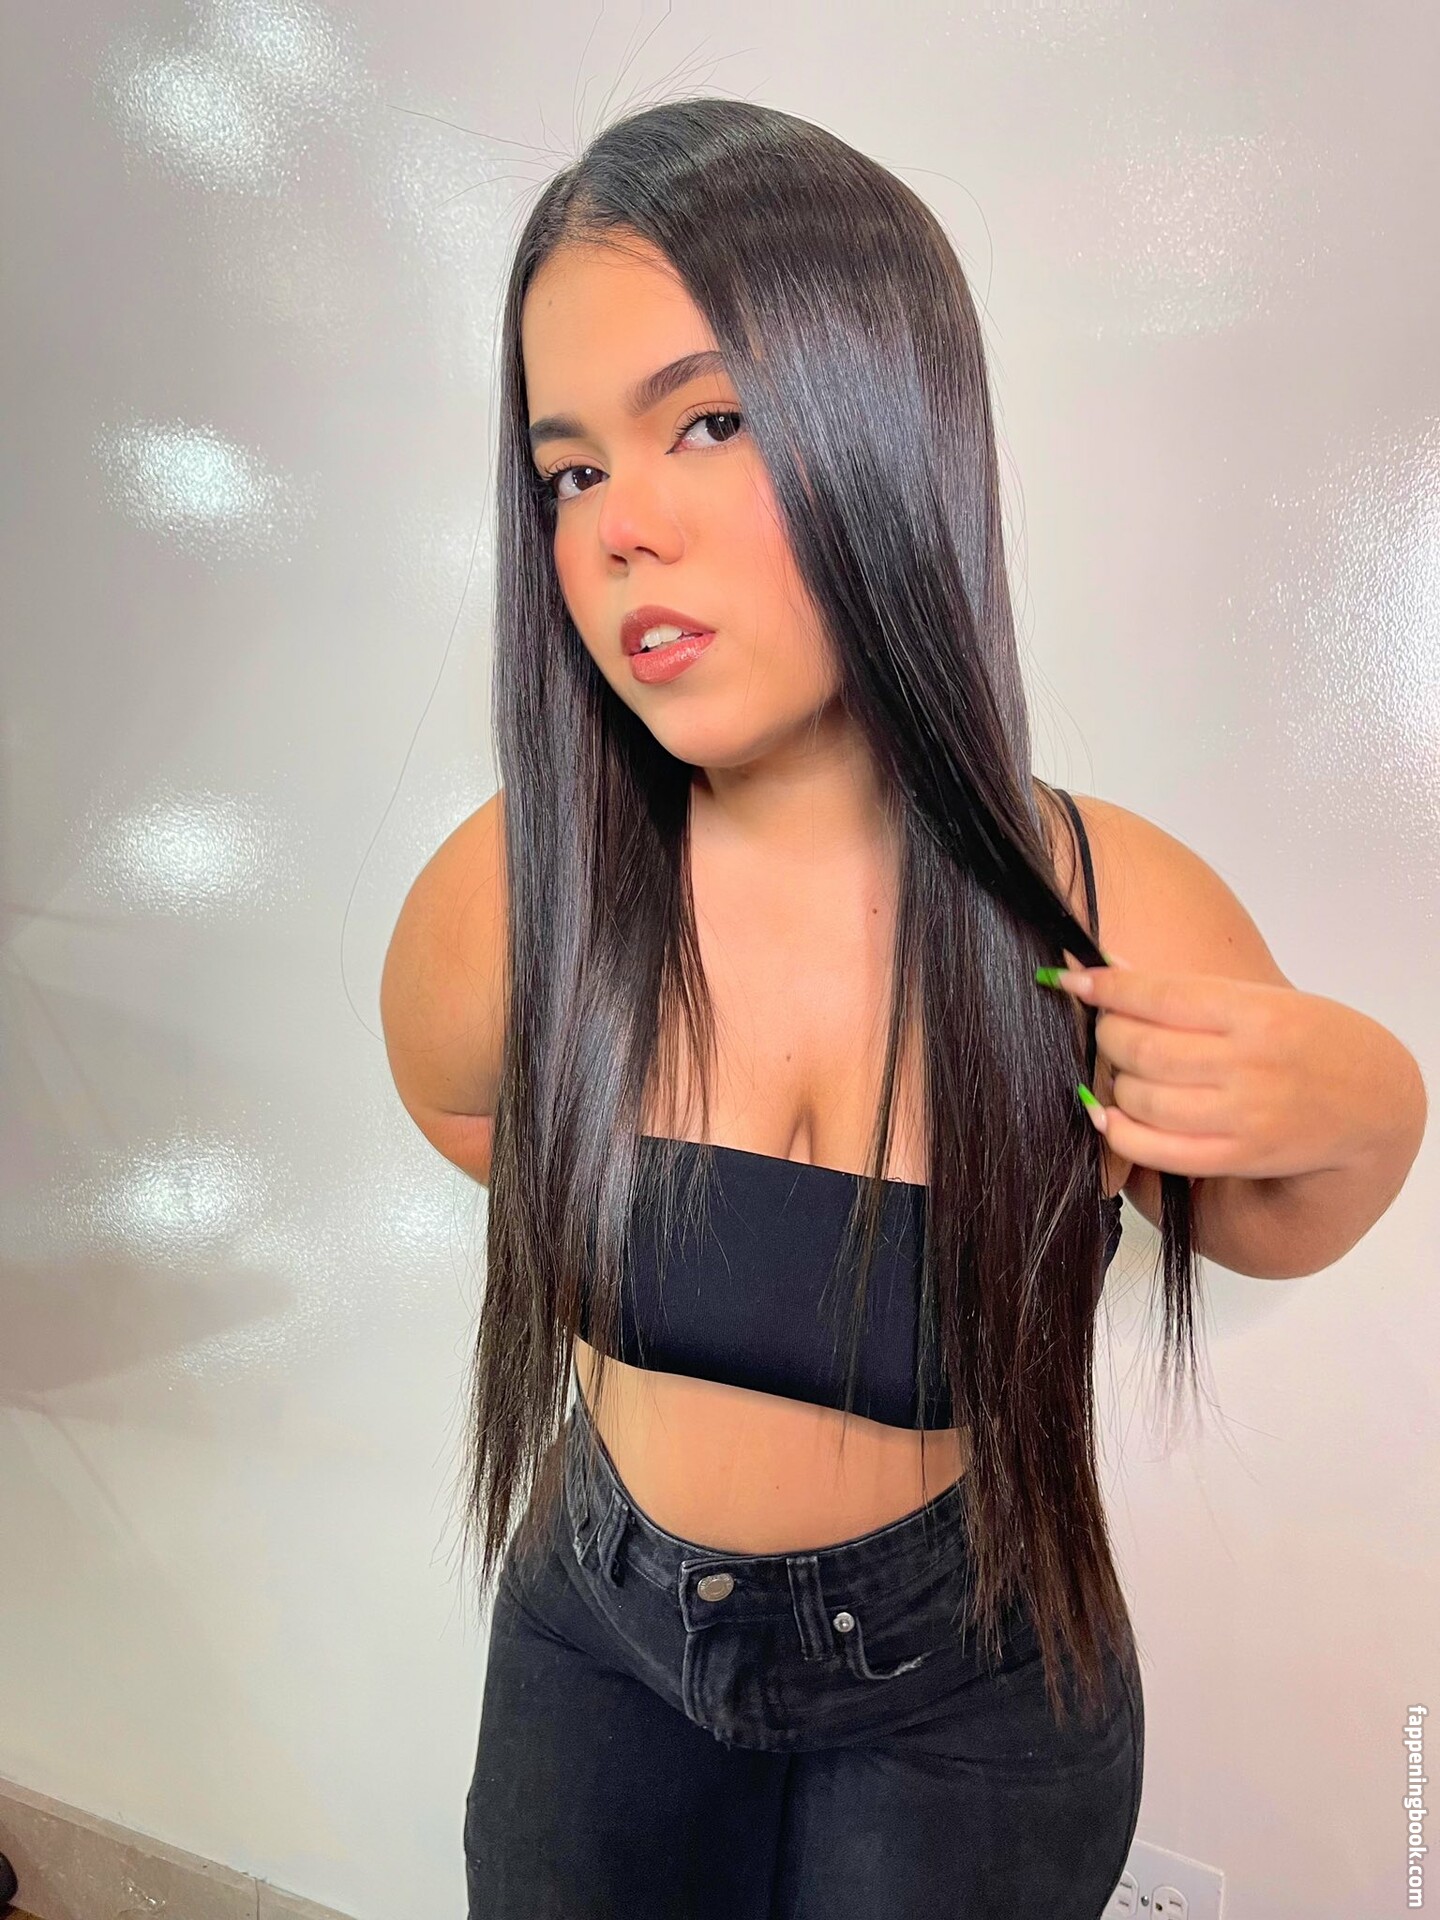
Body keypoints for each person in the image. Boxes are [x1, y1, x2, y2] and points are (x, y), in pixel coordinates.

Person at [379, 97, 1427, 1920]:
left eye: (708, 422)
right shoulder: (523, 881)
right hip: (600, 1636)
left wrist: (1373, 1097)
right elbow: (461, 1102)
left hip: (970, 1684)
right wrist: (648, 1214)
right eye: (569, 473)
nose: (621, 530)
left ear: (891, 423)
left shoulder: (1087, 903)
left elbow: (1267, 1219)